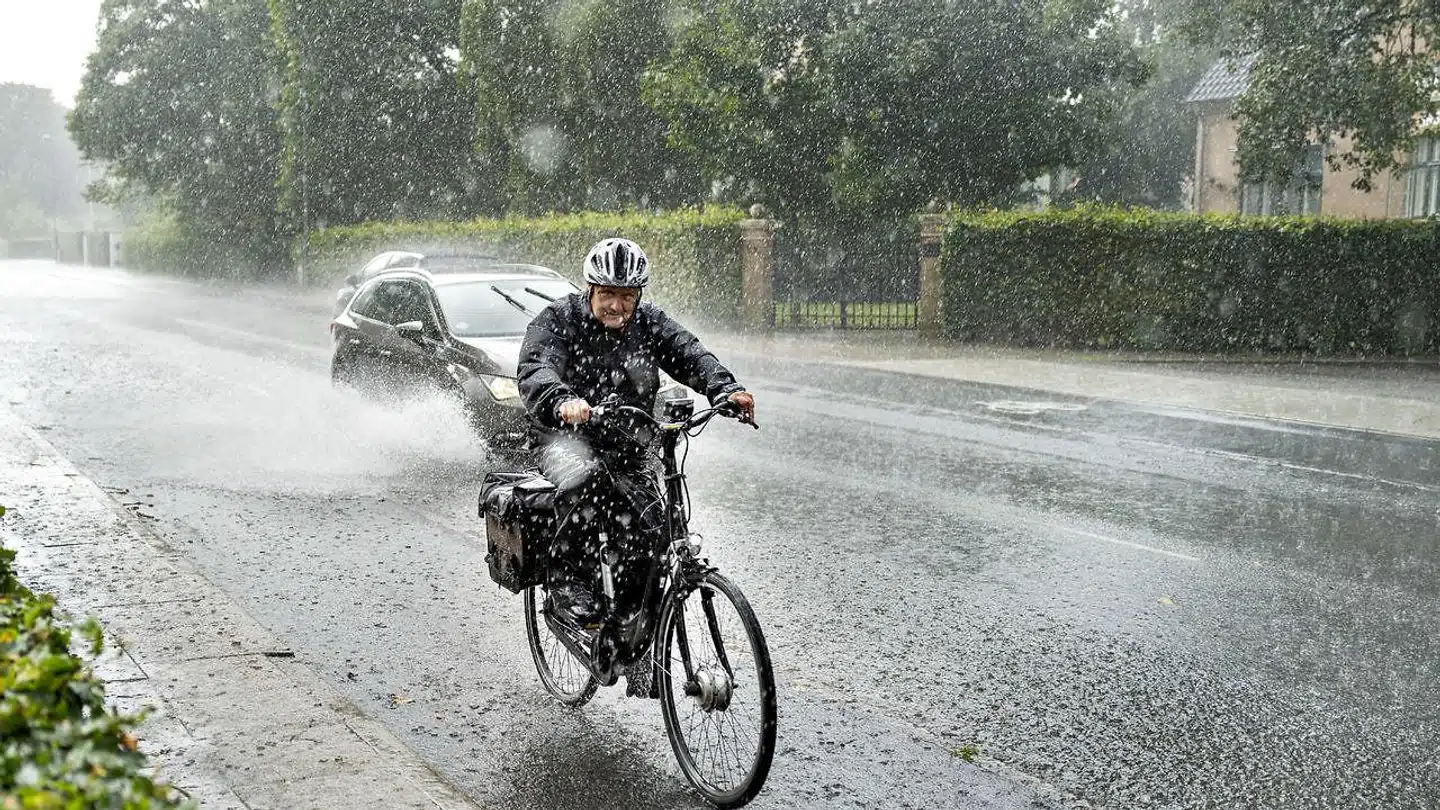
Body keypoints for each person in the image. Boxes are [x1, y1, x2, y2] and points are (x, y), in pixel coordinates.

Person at [516, 237, 756, 632]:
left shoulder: (649, 322)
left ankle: (634, 630)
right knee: (584, 480)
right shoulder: (557, 320)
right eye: (608, 294)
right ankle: (567, 584)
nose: (617, 305)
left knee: (651, 528)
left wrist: (725, 389)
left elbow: (689, 353)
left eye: (627, 295)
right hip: (562, 438)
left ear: (639, 294)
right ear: (591, 289)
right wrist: (562, 401)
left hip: (626, 442)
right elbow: (536, 369)